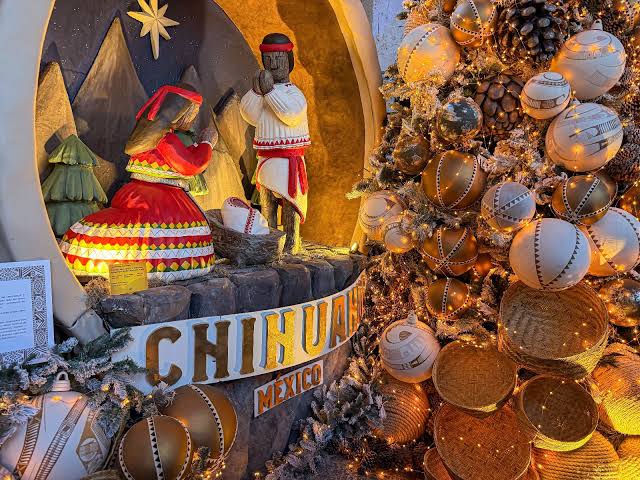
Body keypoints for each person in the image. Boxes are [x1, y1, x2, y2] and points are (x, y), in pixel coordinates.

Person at [60, 83, 218, 281]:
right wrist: (207, 143)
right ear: (180, 113)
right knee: (160, 232)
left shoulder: (150, 137)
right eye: (192, 113)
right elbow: (191, 165)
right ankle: (151, 267)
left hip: (138, 193)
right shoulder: (163, 139)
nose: (193, 119)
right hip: (159, 199)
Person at [240, 33, 310, 253]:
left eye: (279, 59)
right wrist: (256, 92)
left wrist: (269, 92)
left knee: (290, 206)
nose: (274, 65)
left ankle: (291, 245)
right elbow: (249, 115)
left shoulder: (294, 94)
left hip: (290, 162)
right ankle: (269, 244)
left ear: (289, 61)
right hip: (266, 160)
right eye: (269, 60)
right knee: (267, 205)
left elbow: (290, 114)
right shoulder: (261, 95)